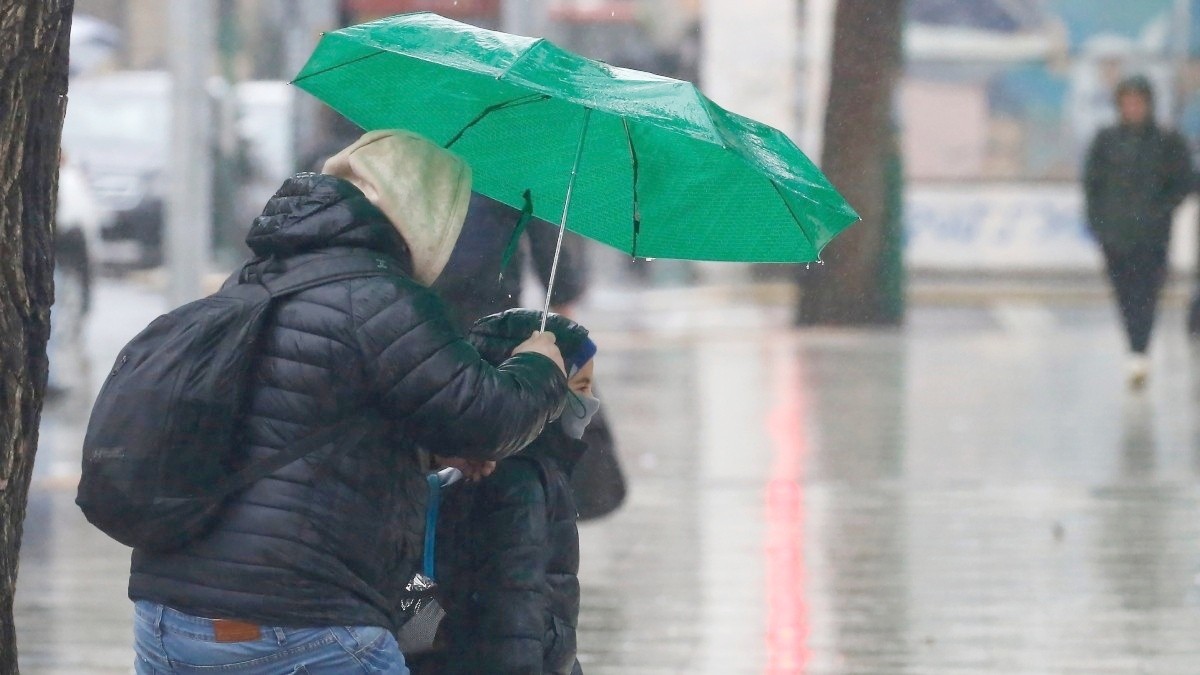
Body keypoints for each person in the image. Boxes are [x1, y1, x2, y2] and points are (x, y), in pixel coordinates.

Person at [129, 130, 570, 674]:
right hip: (299, 624)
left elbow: (297, 427)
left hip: (170, 621)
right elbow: (489, 419)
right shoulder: (380, 295)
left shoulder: (252, 283)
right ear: (427, 213)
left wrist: (432, 455)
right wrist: (541, 364)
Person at [413, 309, 597, 675]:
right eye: (581, 385)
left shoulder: (522, 470)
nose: (591, 401)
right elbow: (513, 613)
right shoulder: (520, 482)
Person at [435, 195, 626, 520]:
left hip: (434, 315)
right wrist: (564, 294)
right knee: (503, 441)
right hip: (493, 317)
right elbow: (544, 233)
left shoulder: (434, 156)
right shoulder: (507, 164)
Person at [1084, 75, 1194, 388]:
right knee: (1124, 293)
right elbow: (1092, 184)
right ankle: (1135, 346)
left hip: (1152, 235)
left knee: (1147, 294)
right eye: (1126, 102)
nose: (1132, 108)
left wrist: (1161, 210)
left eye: (1137, 102)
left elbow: (1184, 181)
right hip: (1115, 235)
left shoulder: (1167, 142)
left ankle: (1139, 351)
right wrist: (1098, 222)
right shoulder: (1105, 141)